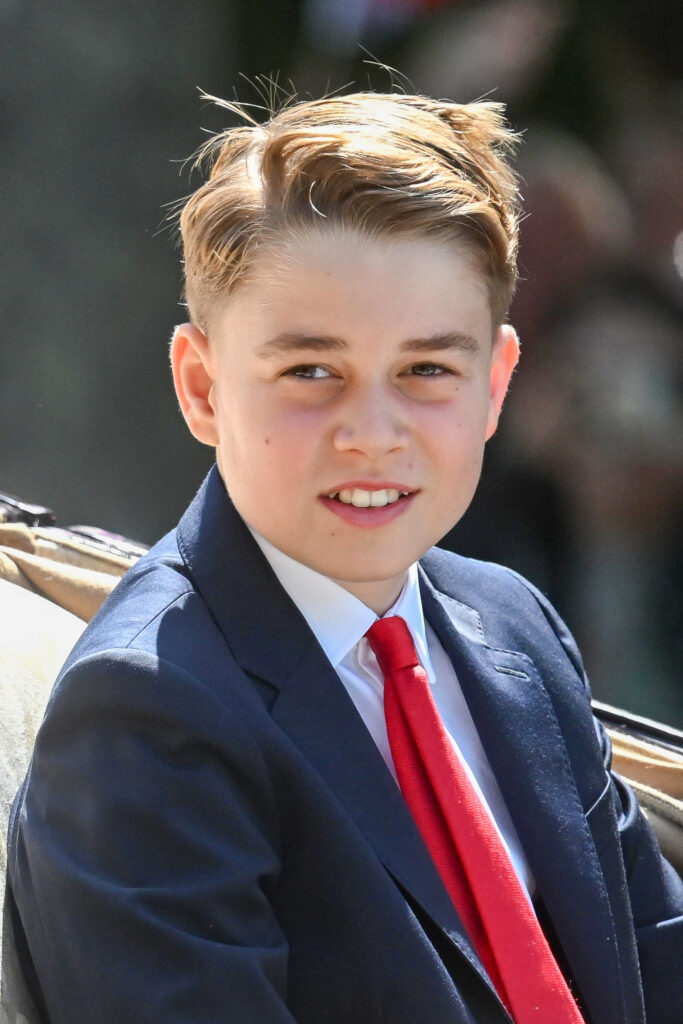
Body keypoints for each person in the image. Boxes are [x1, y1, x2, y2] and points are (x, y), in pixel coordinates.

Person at [8, 92, 682, 1024]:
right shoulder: (146, 714)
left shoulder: (513, 625)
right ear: (202, 388)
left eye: (426, 370)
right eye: (310, 372)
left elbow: (658, 961)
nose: (372, 433)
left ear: (494, 386)